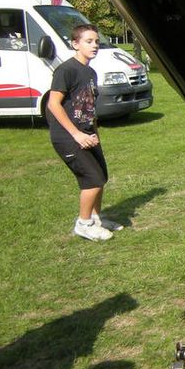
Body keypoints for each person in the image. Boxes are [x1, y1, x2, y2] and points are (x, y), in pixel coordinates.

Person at [47, 24, 122, 241]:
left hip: (88, 134)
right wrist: (77, 134)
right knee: (93, 178)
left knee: (101, 176)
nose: (95, 45)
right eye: (89, 41)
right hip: (68, 136)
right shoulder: (66, 70)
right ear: (75, 44)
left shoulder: (90, 72)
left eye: (97, 41)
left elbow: (88, 107)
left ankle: (97, 218)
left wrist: (94, 133)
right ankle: (84, 223)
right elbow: (54, 104)